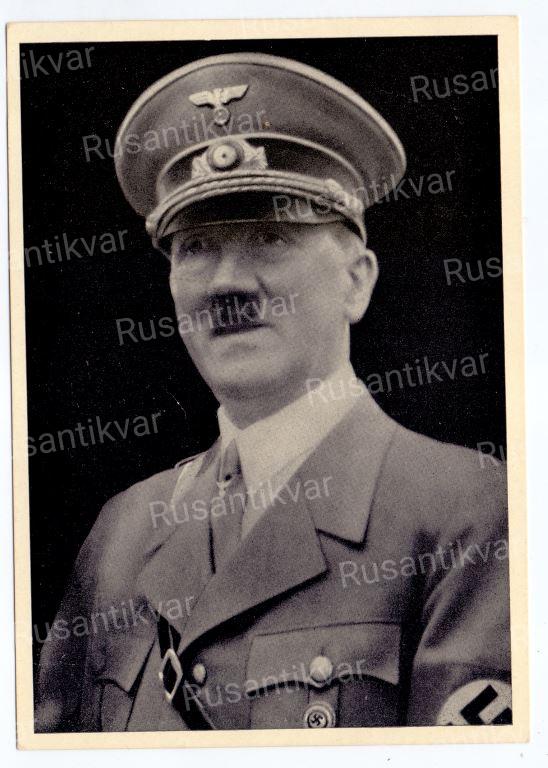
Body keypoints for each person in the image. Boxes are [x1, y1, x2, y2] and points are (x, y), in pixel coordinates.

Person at [36, 52, 510, 732]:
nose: (226, 282)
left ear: (356, 281)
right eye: (196, 247)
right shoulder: (124, 531)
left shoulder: (471, 513)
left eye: (269, 237)